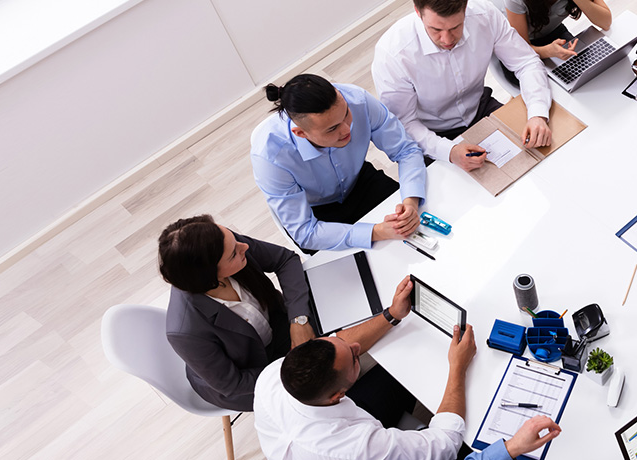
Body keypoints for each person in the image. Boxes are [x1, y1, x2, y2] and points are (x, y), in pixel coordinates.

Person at [255, 279, 563, 459]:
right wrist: (457, 368)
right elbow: (445, 443)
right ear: (338, 395)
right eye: (352, 358)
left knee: (396, 367)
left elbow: (341, 344)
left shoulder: (275, 375)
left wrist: (391, 314)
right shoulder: (362, 449)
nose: (356, 346)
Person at [251, 74, 429, 254]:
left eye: (346, 115)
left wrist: (411, 201)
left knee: (421, 230)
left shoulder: (357, 99)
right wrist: (376, 232)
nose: (347, 129)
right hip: (316, 211)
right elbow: (304, 232)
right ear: (301, 133)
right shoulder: (270, 156)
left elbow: (405, 150)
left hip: (360, 182)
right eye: (332, 128)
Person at [374, 0, 556, 172]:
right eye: (435, 29)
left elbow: (525, 62)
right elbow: (404, 122)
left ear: (466, 6)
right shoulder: (392, 54)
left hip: (480, 107)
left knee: (543, 159)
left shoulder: (485, 14)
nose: (446, 39)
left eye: (455, 27)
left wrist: (538, 113)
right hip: (430, 133)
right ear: (417, 11)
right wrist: (449, 151)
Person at [159, 215, 315, 412]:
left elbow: (284, 260)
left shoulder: (226, 243)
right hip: (252, 377)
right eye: (233, 254)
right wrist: (295, 367)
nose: (245, 247)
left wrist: (299, 320)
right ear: (210, 274)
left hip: (279, 328)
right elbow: (233, 384)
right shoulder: (185, 331)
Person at [499, 0, 612, 86]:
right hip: (518, 50)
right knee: (550, 87)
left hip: (554, 32)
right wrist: (548, 51)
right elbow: (520, 49)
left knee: (587, 74)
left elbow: (605, 22)